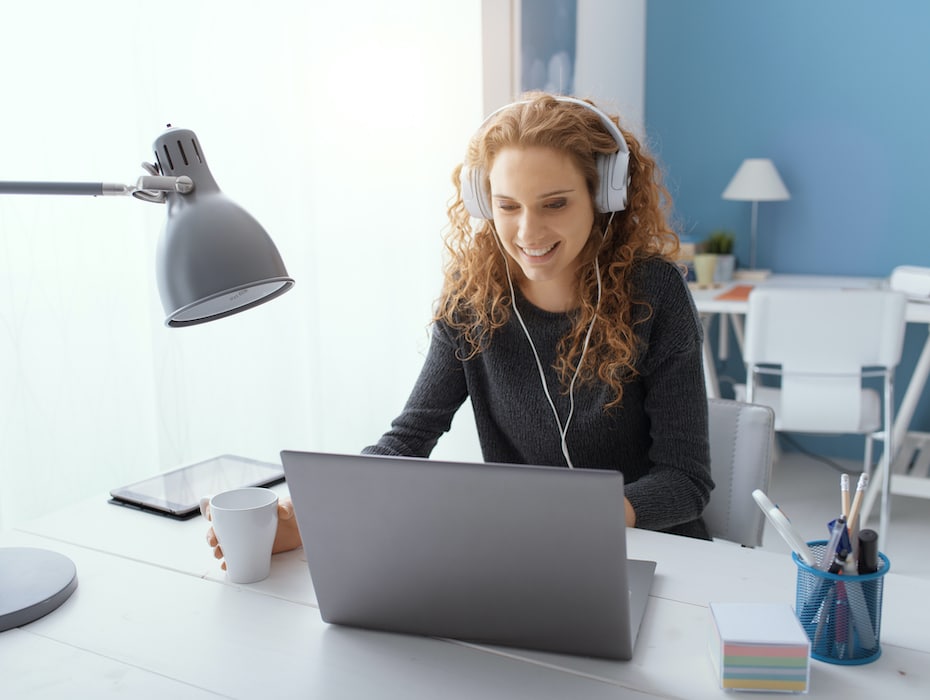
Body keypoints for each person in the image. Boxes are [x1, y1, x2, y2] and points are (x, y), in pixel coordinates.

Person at [206, 92, 713, 568]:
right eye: (507, 205)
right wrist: (310, 517)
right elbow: (408, 439)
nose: (527, 232)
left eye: (555, 203)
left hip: (655, 555)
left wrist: (581, 520)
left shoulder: (655, 293)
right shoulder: (474, 297)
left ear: (603, 195)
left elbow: (685, 480)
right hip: (527, 560)